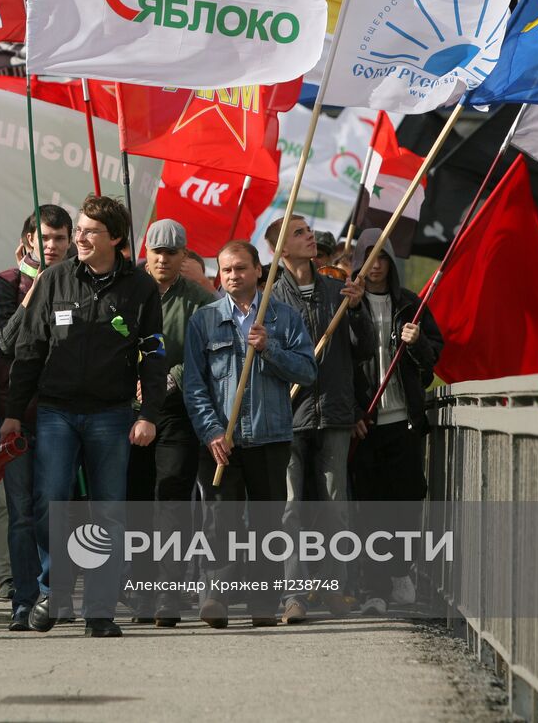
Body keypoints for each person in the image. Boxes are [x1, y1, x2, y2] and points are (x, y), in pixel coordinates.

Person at [7, 195, 166, 638]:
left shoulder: (140, 286)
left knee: (108, 514)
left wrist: (149, 413)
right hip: (56, 411)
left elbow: (153, 354)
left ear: (114, 237)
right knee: (49, 504)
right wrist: (14, 414)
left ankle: (99, 611)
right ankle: (54, 591)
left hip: (112, 415)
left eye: (89, 231)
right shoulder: (54, 279)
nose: (78, 237)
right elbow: (28, 350)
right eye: (77, 229)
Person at [183, 241, 316, 628]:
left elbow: (308, 372)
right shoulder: (203, 321)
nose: (232, 276)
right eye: (225, 270)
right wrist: (211, 432)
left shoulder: (284, 318)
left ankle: (263, 600)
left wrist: (269, 347)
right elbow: (195, 385)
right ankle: (217, 598)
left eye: (240, 268)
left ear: (259, 270)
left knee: (266, 523)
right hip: (221, 441)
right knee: (219, 521)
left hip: (270, 436)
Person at [268, 215, 371, 622]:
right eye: (299, 233)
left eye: (309, 230)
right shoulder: (271, 299)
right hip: (290, 414)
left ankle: (334, 588)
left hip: (335, 411)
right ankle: (293, 595)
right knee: (291, 508)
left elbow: (363, 351)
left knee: (335, 507)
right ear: (281, 249)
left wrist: (358, 310)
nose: (309, 236)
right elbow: (269, 359)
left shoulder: (338, 289)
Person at [350, 228, 443, 615]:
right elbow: (338, 362)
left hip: (404, 420)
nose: (375, 268)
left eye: (382, 258)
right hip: (364, 425)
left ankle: (401, 573)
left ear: (391, 262)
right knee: (369, 507)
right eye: (368, 260)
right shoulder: (348, 306)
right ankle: (373, 587)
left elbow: (432, 359)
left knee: (405, 501)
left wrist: (417, 341)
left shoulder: (410, 304)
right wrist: (353, 412)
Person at [128, 219, 215, 627]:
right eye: (157, 251)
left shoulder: (200, 299)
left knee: (171, 501)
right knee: (136, 502)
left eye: (172, 252)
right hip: (127, 409)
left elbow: (206, 352)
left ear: (184, 257)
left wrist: (168, 379)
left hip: (176, 412)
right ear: (147, 251)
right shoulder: (126, 288)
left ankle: (168, 595)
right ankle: (139, 592)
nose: (163, 259)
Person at [0, 205, 72, 630]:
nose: (51, 246)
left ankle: (52, 592)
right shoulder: (6, 283)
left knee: (52, 508)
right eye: (44, 238)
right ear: (28, 242)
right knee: (19, 511)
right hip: (14, 415)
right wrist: (34, 293)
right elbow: (5, 343)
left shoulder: (78, 283)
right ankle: (23, 599)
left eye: (59, 239)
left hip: (61, 412)